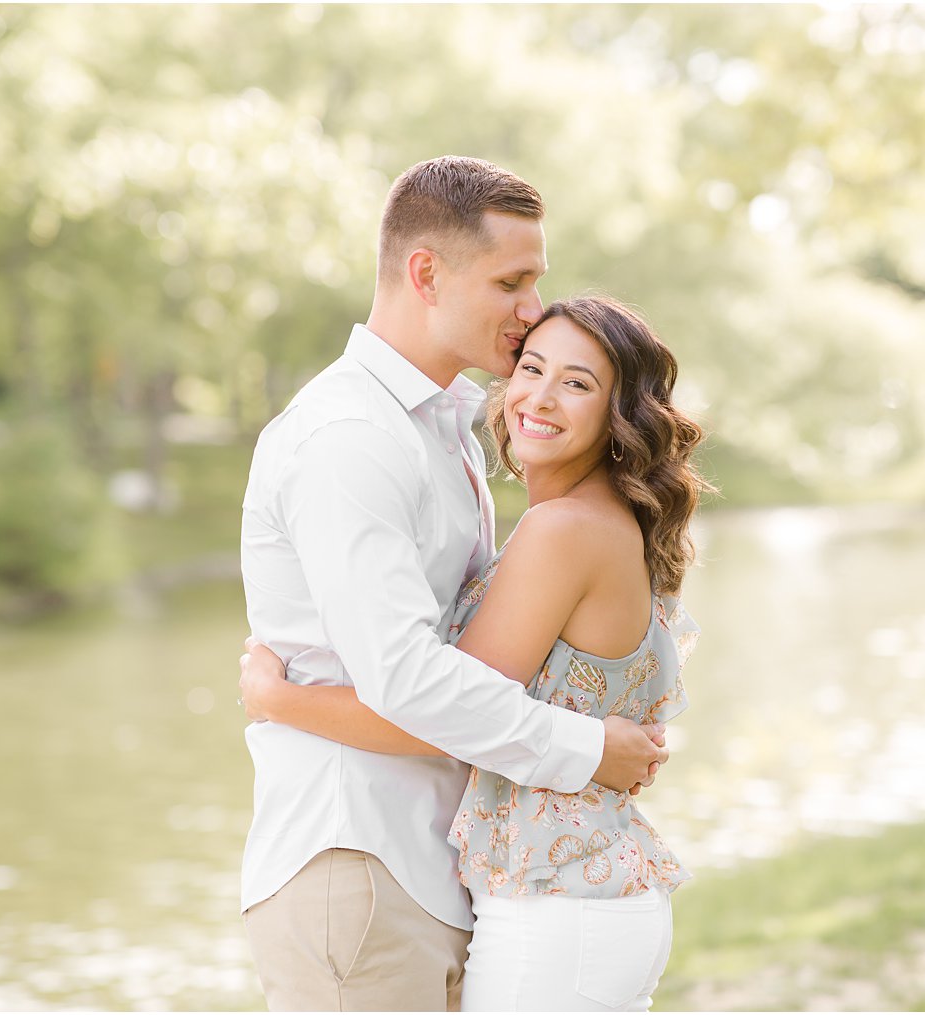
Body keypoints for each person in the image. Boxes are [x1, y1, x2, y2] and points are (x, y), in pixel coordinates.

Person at [237, 157, 670, 1012]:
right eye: (512, 281)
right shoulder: (349, 437)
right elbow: (407, 677)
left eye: (534, 282)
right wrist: (587, 749)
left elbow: (484, 660)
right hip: (357, 860)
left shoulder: (447, 429)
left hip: (441, 867)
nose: (530, 309)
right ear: (425, 273)